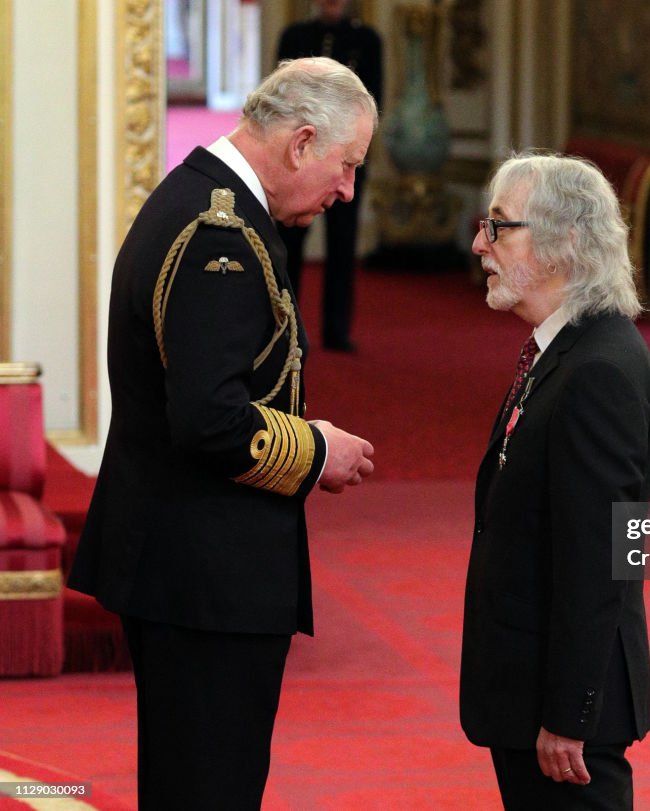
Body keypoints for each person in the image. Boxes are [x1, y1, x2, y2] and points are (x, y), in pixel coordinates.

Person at [68, 58, 378, 810]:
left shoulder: (205, 200)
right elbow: (210, 420)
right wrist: (316, 452)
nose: (345, 190)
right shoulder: (223, 238)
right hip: (205, 574)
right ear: (301, 143)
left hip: (183, 561)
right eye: (346, 166)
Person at [460, 153, 650, 810]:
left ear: (566, 241)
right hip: (530, 691)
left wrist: (569, 714)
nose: (479, 245)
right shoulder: (563, 349)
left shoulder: (598, 370)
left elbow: (596, 559)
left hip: (569, 719)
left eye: (498, 228)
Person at [277, 0, 383, 352]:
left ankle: (336, 331)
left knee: (342, 246)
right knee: (289, 246)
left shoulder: (367, 40)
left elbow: (373, 102)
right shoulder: (294, 36)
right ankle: (284, 329)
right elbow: (280, 101)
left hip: (345, 163)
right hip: (300, 160)